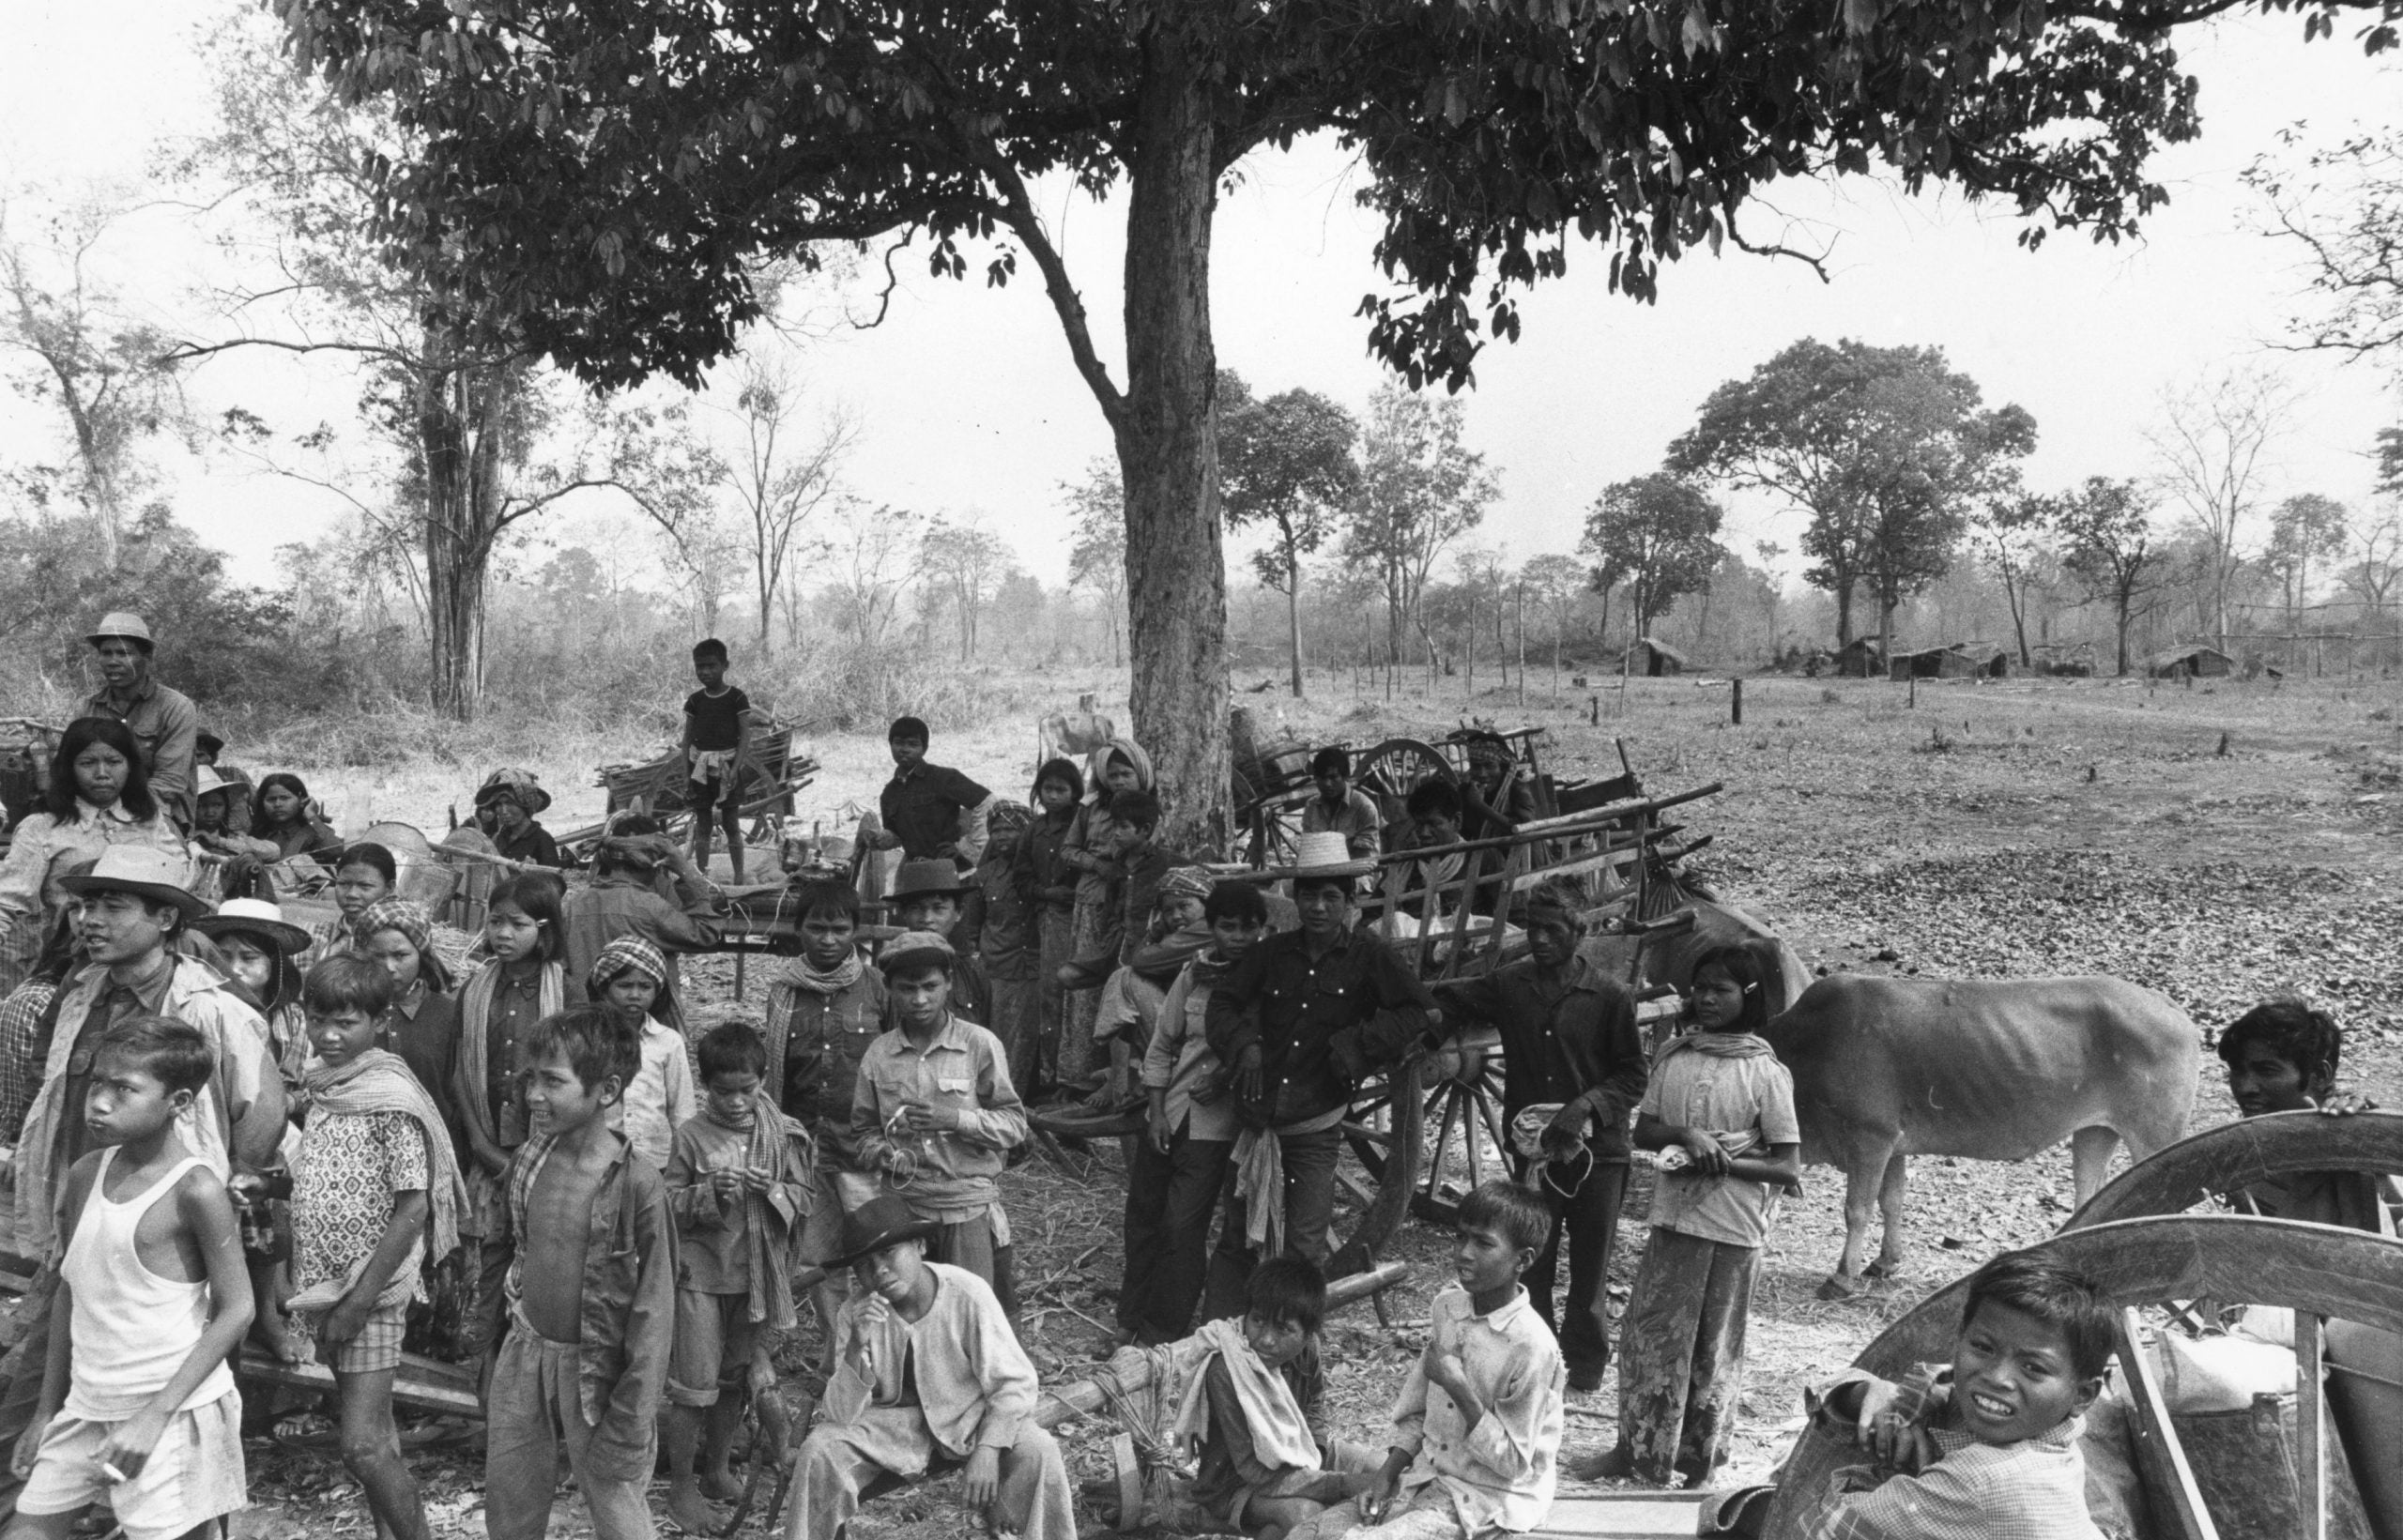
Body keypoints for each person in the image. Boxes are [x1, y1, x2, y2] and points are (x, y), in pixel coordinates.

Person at [8, 1017, 253, 1540]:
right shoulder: (85, 1173)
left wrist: (154, 1417)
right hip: (87, 1404)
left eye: (125, 1089)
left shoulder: (196, 1191)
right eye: (97, 1082)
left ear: (179, 1102)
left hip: (170, 1409)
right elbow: (74, 1291)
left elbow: (238, 1309)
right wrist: (46, 1411)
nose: (99, 1101)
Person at [1569, 944, 1801, 1488]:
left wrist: (1724, 1161)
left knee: (1712, 1347)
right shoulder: (1675, 1056)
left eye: (1721, 990)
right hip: (1673, 1219)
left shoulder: (1766, 1073)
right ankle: (1636, 1453)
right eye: (1701, 988)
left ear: (1748, 997)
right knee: (1650, 1338)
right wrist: (1684, 1135)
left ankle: (1697, 1462)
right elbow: (1643, 1131)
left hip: (1732, 1228)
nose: (1707, 999)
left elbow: (1787, 1166)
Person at [1431, 880, 1645, 1392]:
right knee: (1534, 1261)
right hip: (1536, 1156)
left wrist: (1585, 1106)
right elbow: (1448, 999)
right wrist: (1425, 1029)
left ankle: (1586, 1367)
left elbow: (1634, 1075)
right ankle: (1535, 1365)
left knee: (1591, 1267)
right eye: (1534, 928)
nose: (1542, 938)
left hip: (1599, 1155)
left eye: (1555, 929)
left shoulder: (1609, 996)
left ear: (1581, 931)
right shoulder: (1510, 985)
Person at [1203, 846, 1435, 1319]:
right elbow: (1223, 1004)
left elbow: (1421, 1011)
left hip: (1315, 1123)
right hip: (1258, 1122)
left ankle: (1294, 1351)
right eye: (1309, 896)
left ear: (1351, 902)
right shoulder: (1270, 954)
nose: (1319, 908)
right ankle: (1219, 1338)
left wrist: (1358, 1044)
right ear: (1294, 897)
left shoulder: (1370, 957)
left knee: (1305, 1246)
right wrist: (1244, 1044)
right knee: (1236, 1235)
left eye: (1332, 897)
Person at [468, 1006, 674, 1540]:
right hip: (527, 1350)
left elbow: (655, 1312)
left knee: (616, 1502)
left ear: (606, 1090)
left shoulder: (637, 1185)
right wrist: (489, 1348)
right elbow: (509, 1250)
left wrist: (632, 1411)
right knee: (510, 1502)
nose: (534, 1095)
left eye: (552, 1082)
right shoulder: (530, 1158)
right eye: (530, 1079)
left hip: (598, 1370)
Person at [285, 955, 467, 1540]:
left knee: (362, 1447)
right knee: (378, 1437)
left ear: (380, 1021)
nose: (330, 1036)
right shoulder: (325, 1087)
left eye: (346, 1023)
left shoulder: (389, 1097)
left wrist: (359, 1303)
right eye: (318, 1021)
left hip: (370, 1289)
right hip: (325, 1284)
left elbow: (412, 1208)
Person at [2212, 999, 2403, 1527]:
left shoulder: (2359, 1141)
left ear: (2316, 1076)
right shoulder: (2236, 1161)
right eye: (2236, 1071)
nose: (2244, 1087)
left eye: (2266, 1070)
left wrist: (2365, 1130)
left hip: (2363, 1353)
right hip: (2272, 1357)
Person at [1285, 1181, 1564, 1540]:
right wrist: (1385, 1476)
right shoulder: (1448, 1309)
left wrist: (1458, 1386)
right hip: (1424, 1478)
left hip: (1486, 1497)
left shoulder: (1533, 1347)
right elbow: (1420, 1412)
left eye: (1483, 1243)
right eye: (1461, 1237)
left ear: (1522, 1260)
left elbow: (1512, 1464)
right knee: (1307, 1535)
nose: (1464, 1252)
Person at [788, 1194, 1074, 1540]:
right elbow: (840, 1415)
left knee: (1037, 1448)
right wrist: (854, 1347)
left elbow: (1015, 1384)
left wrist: (988, 1449)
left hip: (969, 1419)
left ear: (920, 1245)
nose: (878, 1270)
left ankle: (1018, 1525)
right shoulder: (856, 1313)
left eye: (888, 1253)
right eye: (864, 1265)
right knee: (819, 1451)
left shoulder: (967, 1293)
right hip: (891, 1432)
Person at [1786, 1252, 2114, 1540]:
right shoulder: (2030, 1419)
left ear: (2084, 1395)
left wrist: (1888, 1452)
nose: (1997, 1378)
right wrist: (1873, 1395)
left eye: (2033, 1367)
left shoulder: (1984, 1481)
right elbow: (1921, 1384)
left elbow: (1823, 1527)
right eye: (1984, 1348)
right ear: (1959, 1341)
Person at [661, 1023, 816, 1534]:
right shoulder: (690, 1136)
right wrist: (711, 1194)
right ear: (705, 1086)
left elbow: (804, 1199)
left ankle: (717, 1469)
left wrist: (772, 1189)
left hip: (756, 1279)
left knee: (733, 1380)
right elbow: (666, 1208)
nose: (735, 1102)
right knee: (694, 1386)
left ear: (764, 1080)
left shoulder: (785, 1134)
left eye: (746, 1090)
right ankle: (681, 1485)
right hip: (701, 1277)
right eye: (723, 1092)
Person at [852, 931, 1029, 1305]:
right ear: (889, 989)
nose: (919, 999)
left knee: (969, 1308)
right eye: (906, 988)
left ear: (948, 983)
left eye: (930, 986)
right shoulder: (879, 1054)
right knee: (910, 1309)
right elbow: (863, 1132)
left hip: (964, 1206)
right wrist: (882, 1152)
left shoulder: (979, 1044)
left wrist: (955, 1118)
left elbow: (1014, 1125)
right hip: (905, 1208)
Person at [1127, 880, 1268, 1345]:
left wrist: (1227, 1076)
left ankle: (1161, 1330)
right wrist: (1156, 1111)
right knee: (1143, 1214)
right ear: (1212, 928)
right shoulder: (1194, 973)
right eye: (1228, 927)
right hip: (1172, 1107)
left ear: (1262, 930)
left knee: (1181, 1225)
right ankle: (1130, 1317)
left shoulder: (1267, 979)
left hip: (1216, 1124)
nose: (1239, 938)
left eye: (1249, 929)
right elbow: (1163, 1042)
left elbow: (1269, 1045)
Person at [764, 879, 886, 1351]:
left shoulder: (877, 986)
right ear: (799, 930)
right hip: (806, 1147)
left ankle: (881, 1357)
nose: (829, 939)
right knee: (819, 1260)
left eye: (840, 928)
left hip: (864, 1149)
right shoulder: (783, 991)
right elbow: (774, 1074)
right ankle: (838, 1361)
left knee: (878, 1254)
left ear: (855, 930)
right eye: (817, 928)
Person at [1171, 1255, 1363, 1540]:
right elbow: (1254, 1470)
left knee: (1380, 1467)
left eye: (1283, 1329)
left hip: (1299, 1454)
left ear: (1308, 1332)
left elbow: (1315, 1403)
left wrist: (1319, 1455)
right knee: (1305, 1514)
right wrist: (1336, 1485)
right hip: (1235, 1484)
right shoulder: (1227, 1371)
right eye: (1258, 1321)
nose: (1266, 1339)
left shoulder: (1308, 1348)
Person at [0, 718, 187, 997]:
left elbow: (180, 882)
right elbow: (7, 901)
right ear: (69, 769)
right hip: (71, 961)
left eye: (113, 761)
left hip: (143, 961)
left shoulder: (149, 821)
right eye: (87, 763)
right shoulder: (42, 827)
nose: (102, 773)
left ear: (130, 766)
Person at [453, 876, 580, 1246]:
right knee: (485, 1260)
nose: (503, 934)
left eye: (518, 924)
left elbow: (578, 1077)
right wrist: (479, 1144)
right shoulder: (474, 990)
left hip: (551, 1150)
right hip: (484, 1143)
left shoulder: (567, 992)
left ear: (544, 930)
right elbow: (461, 1069)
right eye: (495, 921)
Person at [1056, 737, 1152, 1089]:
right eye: (1113, 774)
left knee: (1125, 992)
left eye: (1127, 773)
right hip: (1093, 902)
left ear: (1141, 774)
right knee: (1086, 991)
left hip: (1135, 909)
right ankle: (1080, 1078)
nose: (1120, 781)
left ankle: (1123, 1077)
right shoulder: (1092, 809)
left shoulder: (1149, 811)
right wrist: (1097, 864)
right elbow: (1068, 850)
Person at [560, 835, 722, 1027]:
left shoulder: (572, 905)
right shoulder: (648, 906)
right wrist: (686, 871)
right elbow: (707, 933)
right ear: (652, 868)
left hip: (585, 1022)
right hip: (638, 1025)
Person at [80, 613, 200, 831]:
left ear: (147, 657)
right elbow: (73, 768)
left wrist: (117, 815)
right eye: (106, 653)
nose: (113, 661)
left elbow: (169, 782)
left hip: (159, 813)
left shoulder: (175, 707)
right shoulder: (87, 708)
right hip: (95, 812)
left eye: (124, 653)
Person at [588, 937, 696, 1172]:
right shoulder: (588, 1039)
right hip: (599, 1159)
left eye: (645, 987)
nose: (635, 994)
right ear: (604, 989)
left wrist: (684, 1163)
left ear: (657, 990)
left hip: (655, 1161)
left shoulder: (669, 1042)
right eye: (625, 986)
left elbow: (682, 1109)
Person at [1021, 758, 1085, 1098]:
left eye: (1062, 789)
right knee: (1051, 994)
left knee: (1078, 992)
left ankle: (1077, 1075)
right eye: (1048, 789)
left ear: (1075, 792)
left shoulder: (1083, 824)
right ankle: (1053, 1076)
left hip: (1082, 916)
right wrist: (1047, 893)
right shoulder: (1034, 829)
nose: (1054, 796)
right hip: (1048, 918)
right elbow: (1022, 876)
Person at [972, 800, 1040, 1096]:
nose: (1002, 837)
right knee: (996, 1041)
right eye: (996, 830)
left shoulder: (1040, 873)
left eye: (1011, 831)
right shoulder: (984, 876)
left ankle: (1016, 1104)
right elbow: (973, 926)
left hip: (1032, 970)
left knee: (1024, 1043)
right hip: (996, 970)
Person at [867, 716, 993, 870]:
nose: (904, 749)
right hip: (916, 870)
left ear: (924, 748)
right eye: (898, 743)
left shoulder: (944, 778)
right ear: (890, 745)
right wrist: (878, 839)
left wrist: (968, 848)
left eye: (913, 744)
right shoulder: (889, 793)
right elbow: (897, 836)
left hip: (951, 868)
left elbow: (987, 801)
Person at [681, 638, 758, 883]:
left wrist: (736, 769)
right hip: (700, 768)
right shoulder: (695, 701)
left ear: (726, 665)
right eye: (700, 667)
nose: (705, 672)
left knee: (731, 824)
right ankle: (703, 876)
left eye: (711, 666)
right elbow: (687, 739)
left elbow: (745, 736)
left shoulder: (736, 698)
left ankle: (738, 877)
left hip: (727, 766)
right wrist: (687, 774)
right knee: (703, 824)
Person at [314, 843, 400, 960]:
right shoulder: (319, 936)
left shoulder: (400, 940)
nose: (351, 894)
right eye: (343, 884)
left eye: (365, 886)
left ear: (389, 888)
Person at [1300, 748, 1384, 861]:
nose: (1327, 784)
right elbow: (1309, 849)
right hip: (1321, 870)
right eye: (1322, 778)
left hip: (1357, 871)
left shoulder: (1364, 807)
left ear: (1345, 777)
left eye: (1333, 777)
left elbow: (1365, 857)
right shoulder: (1312, 805)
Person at [250, 772, 344, 866]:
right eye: (271, 799)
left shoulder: (313, 832)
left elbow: (336, 851)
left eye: (285, 798)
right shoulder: (256, 833)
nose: (277, 804)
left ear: (301, 799)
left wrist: (311, 815)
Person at [478, 781, 565, 870]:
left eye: (510, 803)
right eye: (499, 804)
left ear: (525, 807)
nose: (504, 811)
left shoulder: (543, 839)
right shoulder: (500, 836)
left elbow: (554, 880)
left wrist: (535, 873)